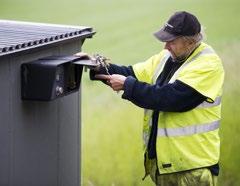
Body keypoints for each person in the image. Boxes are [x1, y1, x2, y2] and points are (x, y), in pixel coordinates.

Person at [76, 11, 225, 186]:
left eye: (171, 41)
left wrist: (128, 86)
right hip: (164, 167)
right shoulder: (167, 57)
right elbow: (132, 74)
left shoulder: (208, 64)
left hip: (193, 170)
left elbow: (171, 98)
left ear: (190, 41)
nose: (165, 47)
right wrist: (97, 65)